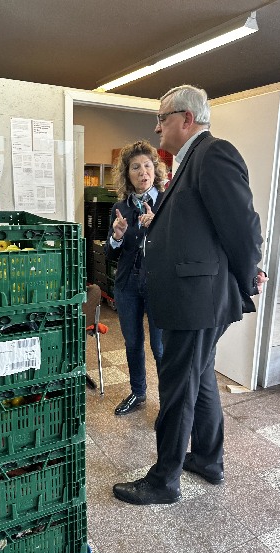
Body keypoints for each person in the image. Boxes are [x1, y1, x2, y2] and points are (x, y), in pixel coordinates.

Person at [113, 85, 266, 505]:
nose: (157, 125)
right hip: (194, 297)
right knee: (199, 381)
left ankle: (164, 480)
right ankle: (208, 460)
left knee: (179, 386)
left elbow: (243, 227)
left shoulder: (214, 153)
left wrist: (246, 275)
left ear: (187, 119)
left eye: (162, 117)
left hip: (198, 300)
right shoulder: (188, 160)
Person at [104, 140, 166, 416]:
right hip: (127, 283)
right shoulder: (120, 207)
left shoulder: (168, 202)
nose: (143, 172)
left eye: (148, 166)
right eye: (136, 167)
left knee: (161, 345)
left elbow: (180, 246)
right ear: (127, 175)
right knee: (132, 342)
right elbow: (109, 253)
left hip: (158, 282)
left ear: (156, 170)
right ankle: (138, 392)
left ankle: (169, 399)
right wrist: (116, 236)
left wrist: (159, 226)